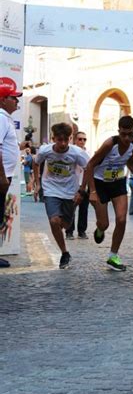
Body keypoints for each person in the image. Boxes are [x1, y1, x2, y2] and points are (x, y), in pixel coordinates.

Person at [85, 115, 133, 271]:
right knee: (104, 223)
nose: (127, 138)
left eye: (130, 134)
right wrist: (92, 191)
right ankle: (100, 229)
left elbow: (130, 162)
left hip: (118, 182)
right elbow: (90, 164)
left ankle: (113, 256)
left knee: (121, 219)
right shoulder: (109, 144)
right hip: (99, 183)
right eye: (123, 134)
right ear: (118, 131)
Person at [33, 123, 89, 269]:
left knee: (65, 224)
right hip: (50, 189)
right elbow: (35, 163)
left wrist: (82, 190)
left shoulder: (77, 153)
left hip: (70, 192)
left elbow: (88, 168)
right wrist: (37, 184)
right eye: (59, 140)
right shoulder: (45, 150)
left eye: (66, 140)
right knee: (54, 221)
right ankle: (65, 253)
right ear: (53, 138)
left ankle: (66, 223)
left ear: (70, 139)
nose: (63, 143)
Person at [0, 78, 29, 268]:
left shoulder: (5, 118)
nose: (17, 101)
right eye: (14, 97)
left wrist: (19, 147)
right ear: (3, 99)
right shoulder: (1, 117)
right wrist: (1, 176)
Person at [65, 131, 90, 239]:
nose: (82, 141)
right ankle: (69, 231)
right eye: (80, 139)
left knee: (84, 209)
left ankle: (82, 231)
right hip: (73, 184)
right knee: (71, 208)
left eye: (84, 139)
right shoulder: (70, 151)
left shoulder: (88, 153)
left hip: (85, 184)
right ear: (75, 140)